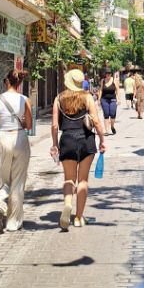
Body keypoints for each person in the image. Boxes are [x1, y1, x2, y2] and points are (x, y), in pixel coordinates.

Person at [51, 69, 105, 229]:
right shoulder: (88, 97)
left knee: (69, 179)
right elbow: (95, 120)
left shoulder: (58, 98)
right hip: (86, 140)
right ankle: (78, 218)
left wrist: (55, 144)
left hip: (67, 139)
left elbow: (54, 125)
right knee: (83, 180)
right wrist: (102, 139)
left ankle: (68, 204)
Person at [0, 70, 32, 233]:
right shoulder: (25, 100)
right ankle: (13, 222)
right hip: (19, 138)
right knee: (18, 182)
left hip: (3, 138)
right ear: (19, 83)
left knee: (2, 179)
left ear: (7, 82)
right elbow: (29, 125)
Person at [99, 67, 121, 136]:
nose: (108, 75)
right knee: (106, 114)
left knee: (112, 114)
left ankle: (112, 126)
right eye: (106, 74)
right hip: (104, 99)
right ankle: (107, 131)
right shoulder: (103, 81)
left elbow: (117, 90)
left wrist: (119, 99)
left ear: (111, 74)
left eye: (109, 74)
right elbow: (101, 90)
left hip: (113, 99)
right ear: (105, 75)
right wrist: (99, 99)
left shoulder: (114, 80)